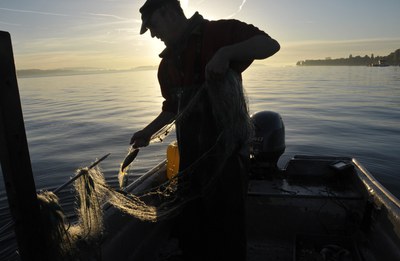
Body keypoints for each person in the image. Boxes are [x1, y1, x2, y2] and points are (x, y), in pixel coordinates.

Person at [130, 0, 280, 260]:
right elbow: (171, 109)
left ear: (169, 12)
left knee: (227, 233)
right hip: (191, 163)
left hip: (227, 160)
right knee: (192, 231)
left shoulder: (217, 33)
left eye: (152, 25)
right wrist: (147, 131)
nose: (153, 34)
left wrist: (226, 54)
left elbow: (270, 45)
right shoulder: (166, 67)